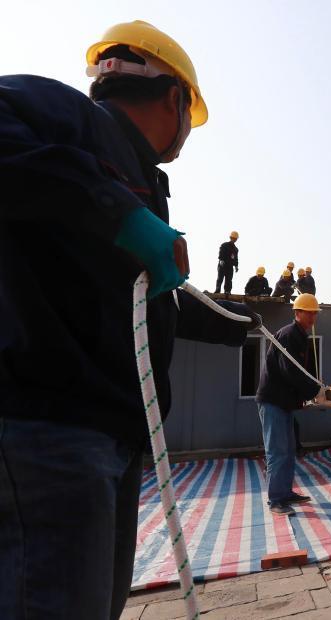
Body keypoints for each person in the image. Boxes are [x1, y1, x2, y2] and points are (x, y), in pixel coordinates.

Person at [0, 20, 260, 619]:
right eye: (190, 118)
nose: (187, 135)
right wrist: (116, 211)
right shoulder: (63, 114)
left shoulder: (142, 178)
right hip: (50, 430)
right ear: (174, 98)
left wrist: (240, 323)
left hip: (108, 440)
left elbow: (147, 300)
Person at [255, 293, 322, 515]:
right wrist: (316, 391)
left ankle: (286, 493)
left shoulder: (301, 336)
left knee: (289, 449)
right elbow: (290, 371)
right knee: (276, 451)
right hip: (273, 400)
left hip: (285, 402)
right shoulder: (288, 335)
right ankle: (276, 499)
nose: (312, 317)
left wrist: (311, 392)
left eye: (314, 313)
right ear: (297, 313)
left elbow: (303, 373)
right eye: (308, 312)